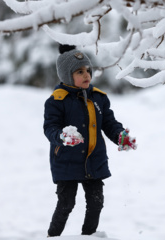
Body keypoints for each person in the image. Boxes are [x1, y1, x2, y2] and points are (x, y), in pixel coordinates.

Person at [43, 44, 136, 237]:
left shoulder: (97, 98)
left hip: (94, 161)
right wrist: (62, 136)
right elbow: (50, 128)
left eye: (88, 70)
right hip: (66, 162)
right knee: (66, 203)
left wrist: (121, 137)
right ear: (67, 76)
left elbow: (109, 123)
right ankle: (52, 236)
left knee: (96, 202)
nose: (86, 75)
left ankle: (89, 236)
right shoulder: (57, 100)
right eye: (79, 71)